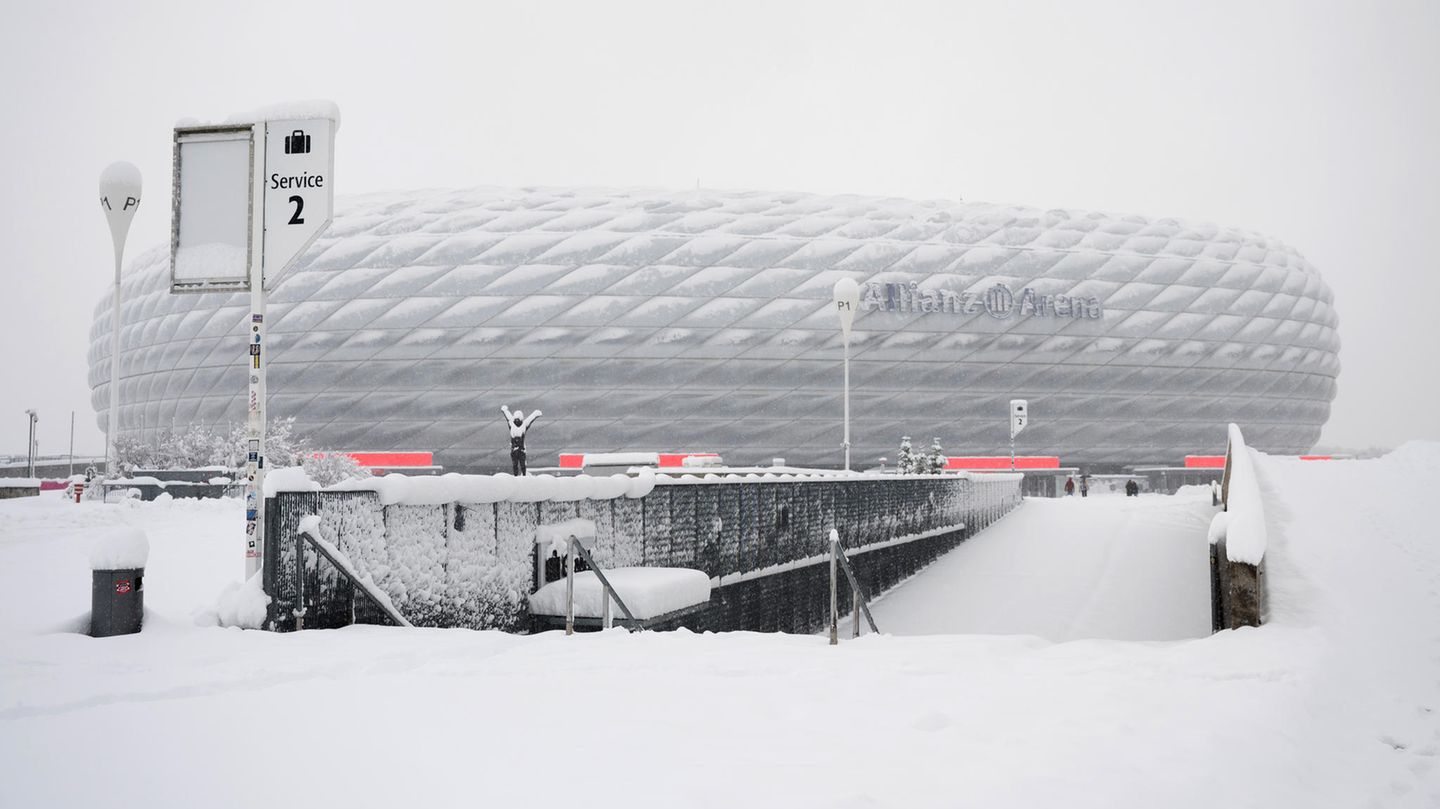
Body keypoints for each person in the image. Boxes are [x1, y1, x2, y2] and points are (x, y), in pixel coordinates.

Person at [500, 405, 542, 476]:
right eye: (516, 419)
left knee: (521, 465)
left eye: (518, 419)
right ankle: (518, 476)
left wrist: (535, 414)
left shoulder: (523, 425)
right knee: (516, 465)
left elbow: (530, 419)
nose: (517, 421)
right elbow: (508, 416)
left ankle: (522, 475)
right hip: (515, 449)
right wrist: (505, 411)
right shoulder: (512, 424)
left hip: (520, 449)